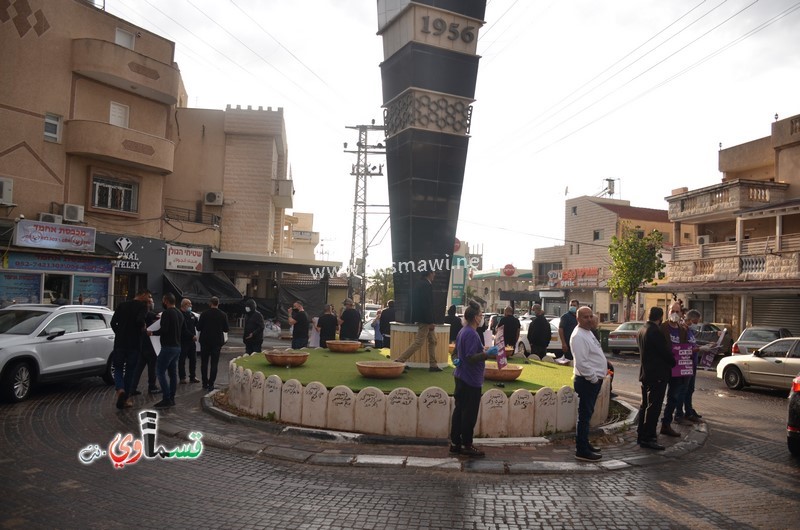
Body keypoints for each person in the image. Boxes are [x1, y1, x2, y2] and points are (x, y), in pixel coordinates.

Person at [450, 302, 495, 458]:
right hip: (470, 380)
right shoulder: (471, 333)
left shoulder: (464, 331)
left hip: (462, 377)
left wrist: (456, 359)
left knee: (459, 411)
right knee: (468, 414)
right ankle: (466, 445)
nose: (482, 317)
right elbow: (470, 358)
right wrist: (487, 354)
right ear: (476, 318)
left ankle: (455, 443)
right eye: (481, 314)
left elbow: (455, 352)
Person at [570, 306, 608, 461]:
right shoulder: (578, 336)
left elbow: (594, 354)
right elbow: (582, 363)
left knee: (587, 415)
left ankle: (585, 443)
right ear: (578, 318)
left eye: (590, 316)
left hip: (593, 380)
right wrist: (593, 379)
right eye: (585, 317)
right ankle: (581, 450)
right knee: (584, 416)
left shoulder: (588, 332)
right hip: (587, 381)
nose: (589, 319)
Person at [636, 306, 675, 450]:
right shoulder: (655, 332)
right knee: (654, 407)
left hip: (645, 373)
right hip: (657, 374)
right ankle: (649, 437)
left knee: (644, 406)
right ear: (661, 318)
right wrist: (673, 362)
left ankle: (641, 434)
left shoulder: (642, 330)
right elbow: (665, 353)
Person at [110, 289, 151, 409]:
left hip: (120, 343)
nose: (149, 299)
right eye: (148, 296)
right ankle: (126, 398)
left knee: (118, 368)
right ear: (142, 295)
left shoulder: (122, 305)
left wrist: (119, 333)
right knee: (130, 371)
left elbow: (113, 322)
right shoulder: (143, 307)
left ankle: (120, 389)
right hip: (134, 344)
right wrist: (143, 327)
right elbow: (139, 320)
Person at [394, 271, 441, 372]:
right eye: (433, 273)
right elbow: (427, 305)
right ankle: (399, 361)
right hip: (425, 319)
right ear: (429, 273)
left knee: (433, 340)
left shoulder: (421, 284)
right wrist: (430, 321)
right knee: (419, 342)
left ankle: (433, 365)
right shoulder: (425, 285)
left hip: (424, 318)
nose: (434, 275)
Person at [660, 301, 690, 437]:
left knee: (673, 397)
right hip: (664, 368)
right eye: (673, 311)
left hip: (677, 369)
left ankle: (666, 424)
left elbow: (686, 347)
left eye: (678, 311)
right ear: (668, 311)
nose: (675, 314)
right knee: (659, 397)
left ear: (681, 313)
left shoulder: (683, 330)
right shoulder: (661, 328)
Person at [150, 293, 183, 408]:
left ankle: (166, 398)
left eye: (163, 300)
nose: (162, 302)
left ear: (166, 301)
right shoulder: (179, 313)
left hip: (168, 347)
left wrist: (152, 332)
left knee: (160, 371)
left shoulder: (167, 313)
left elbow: (164, 329)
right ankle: (172, 397)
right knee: (173, 373)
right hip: (177, 347)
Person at [676, 308, 704, 424]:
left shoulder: (690, 330)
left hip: (692, 364)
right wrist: (697, 349)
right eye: (696, 321)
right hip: (686, 364)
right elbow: (682, 348)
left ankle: (689, 411)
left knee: (690, 389)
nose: (697, 323)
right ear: (691, 319)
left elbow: (693, 343)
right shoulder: (682, 330)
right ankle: (679, 414)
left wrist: (703, 347)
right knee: (683, 389)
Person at [196, 296, 229, 391]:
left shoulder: (204, 314)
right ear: (218, 303)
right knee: (214, 363)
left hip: (205, 340)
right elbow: (226, 329)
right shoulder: (223, 315)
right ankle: (211, 383)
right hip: (217, 341)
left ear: (210, 303)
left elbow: (198, 328)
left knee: (204, 362)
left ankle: (204, 382)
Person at [132, 297, 160, 396]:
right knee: (152, 368)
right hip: (150, 345)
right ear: (148, 303)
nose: (153, 303)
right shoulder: (151, 315)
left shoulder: (139, 315)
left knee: (138, 368)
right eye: (152, 302)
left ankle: (133, 387)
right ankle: (152, 387)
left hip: (141, 345)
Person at [178, 298, 199, 384]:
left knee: (193, 359)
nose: (191, 306)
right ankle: (182, 377)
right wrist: (191, 336)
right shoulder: (180, 315)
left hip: (192, 341)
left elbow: (197, 325)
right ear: (184, 305)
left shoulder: (192, 315)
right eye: (189, 304)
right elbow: (183, 329)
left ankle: (192, 376)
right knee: (182, 360)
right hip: (183, 341)